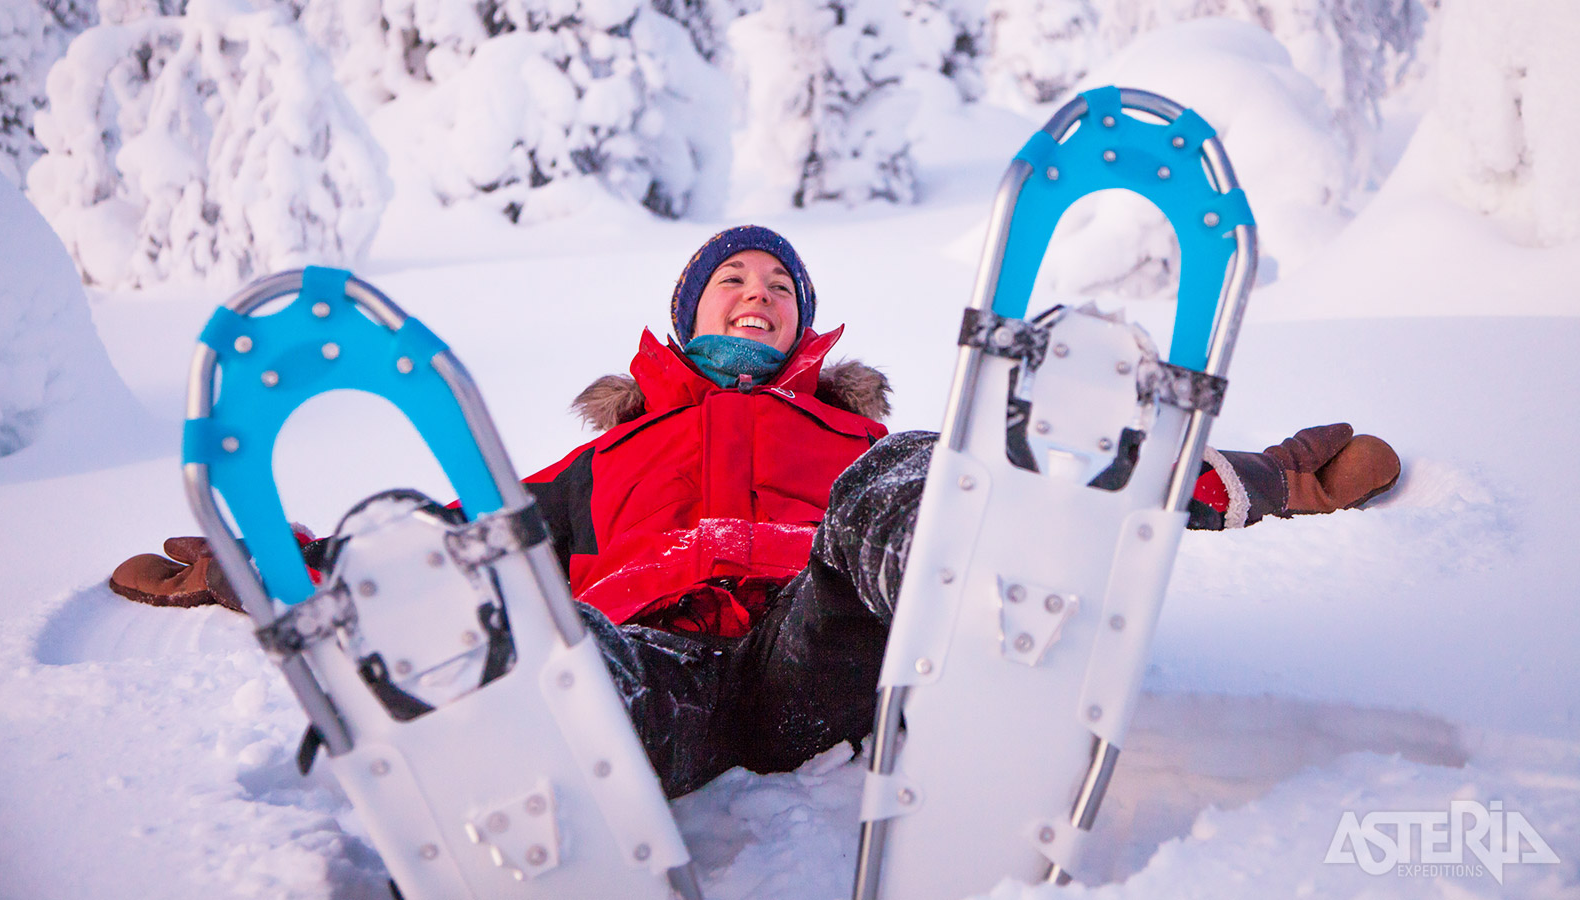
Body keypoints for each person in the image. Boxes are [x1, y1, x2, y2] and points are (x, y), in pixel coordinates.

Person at [110, 225, 1401, 797]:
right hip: (646, 675)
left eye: (776, 286)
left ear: (802, 323)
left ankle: (1017, 568)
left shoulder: (847, 424)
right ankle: (479, 745)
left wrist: (1276, 476)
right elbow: (458, 542)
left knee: (920, 473)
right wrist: (259, 568)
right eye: (731, 280)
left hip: (810, 652)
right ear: (687, 319)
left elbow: (919, 478)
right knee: (531, 623)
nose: (755, 295)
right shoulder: (605, 456)